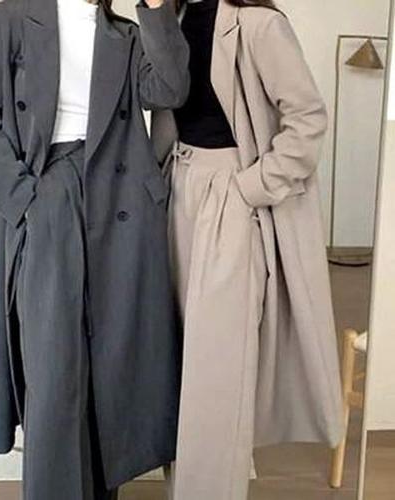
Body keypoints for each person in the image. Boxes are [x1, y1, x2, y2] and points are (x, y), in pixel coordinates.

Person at [0, 0, 189, 498]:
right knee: (54, 359)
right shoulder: (7, 20)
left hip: (119, 197)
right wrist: (23, 197)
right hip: (48, 189)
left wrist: (155, 9)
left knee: (112, 356)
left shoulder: (126, 34)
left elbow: (170, 88)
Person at [152, 0, 345, 498]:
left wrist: (251, 188)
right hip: (177, 188)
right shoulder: (172, 19)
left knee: (220, 360)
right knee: (180, 356)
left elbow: (307, 118)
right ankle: (184, 484)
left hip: (231, 191)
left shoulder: (259, 24)